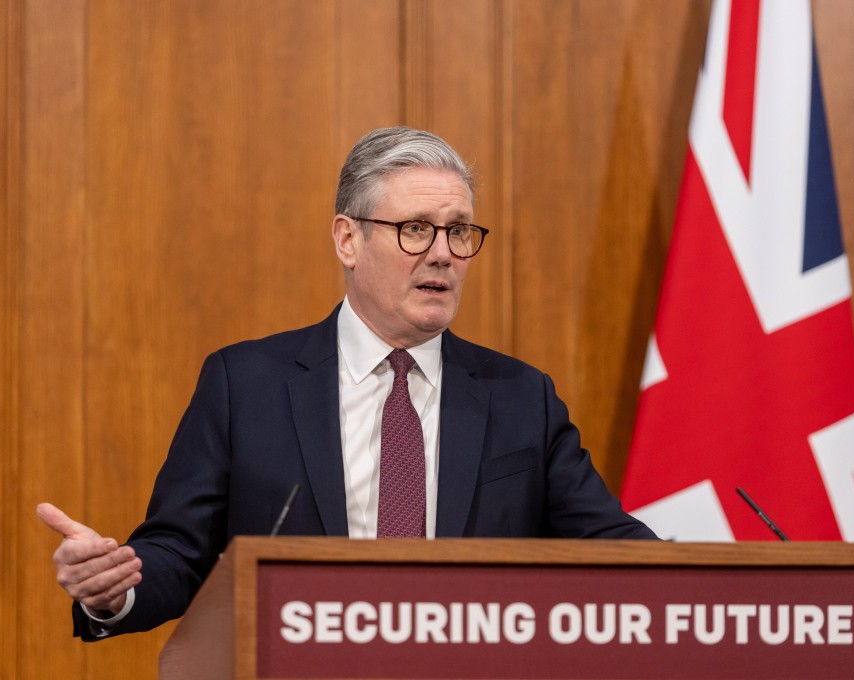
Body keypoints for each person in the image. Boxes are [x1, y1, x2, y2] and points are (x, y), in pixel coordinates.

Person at [37, 126, 657, 641]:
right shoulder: (245, 385)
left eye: (459, 230)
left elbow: (613, 549)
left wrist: (728, 583)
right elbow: (180, 552)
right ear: (348, 239)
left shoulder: (522, 397)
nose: (442, 253)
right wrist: (116, 588)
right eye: (415, 228)